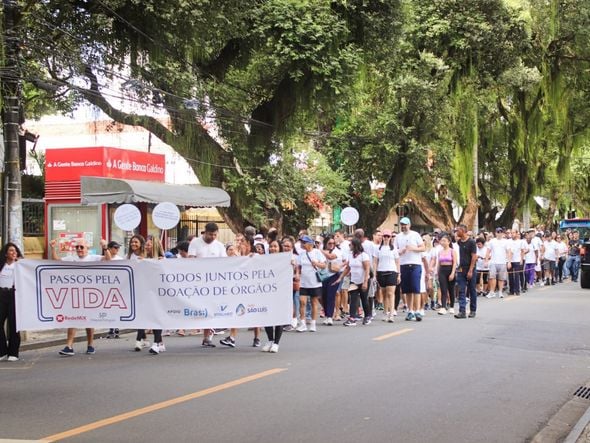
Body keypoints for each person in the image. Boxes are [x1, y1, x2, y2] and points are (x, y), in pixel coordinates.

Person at [50, 237, 110, 356]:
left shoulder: (94, 258)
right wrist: (52, 248)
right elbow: (57, 261)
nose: (79, 249)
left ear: (87, 247)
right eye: (77, 247)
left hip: (89, 294)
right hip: (75, 293)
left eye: (81, 247)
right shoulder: (72, 258)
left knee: (89, 319)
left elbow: (108, 259)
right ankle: (69, 346)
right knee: (72, 318)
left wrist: (105, 247)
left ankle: (90, 345)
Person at [188, 222, 227, 347]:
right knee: (201, 309)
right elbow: (190, 260)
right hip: (198, 283)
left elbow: (225, 263)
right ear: (205, 232)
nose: (213, 237)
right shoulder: (195, 243)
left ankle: (207, 336)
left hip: (214, 283)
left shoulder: (220, 246)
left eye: (215, 235)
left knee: (211, 308)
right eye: (210, 234)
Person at [394, 217, 425, 321]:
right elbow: (394, 251)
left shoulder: (415, 235)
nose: (404, 226)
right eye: (402, 224)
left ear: (409, 225)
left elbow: (423, 247)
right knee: (407, 290)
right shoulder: (398, 237)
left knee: (416, 289)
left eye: (405, 224)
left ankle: (417, 311)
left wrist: (413, 248)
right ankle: (410, 311)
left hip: (415, 264)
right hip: (403, 264)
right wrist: (400, 251)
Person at [336, 238, 371, 326]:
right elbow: (348, 268)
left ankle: (367, 316)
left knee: (364, 299)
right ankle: (352, 318)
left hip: (363, 280)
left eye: (350, 245)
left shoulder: (364, 255)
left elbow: (367, 269)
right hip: (354, 281)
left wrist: (365, 282)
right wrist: (340, 278)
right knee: (353, 299)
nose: (349, 246)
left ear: (355, 245)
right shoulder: (351, 255)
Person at [296, 235, 327, 332]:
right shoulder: (301, 254)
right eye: (301, 242)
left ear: (310, 244)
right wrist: (297, 274)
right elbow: (299, 267)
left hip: (315, 282)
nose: (302, 244)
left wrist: (316, 263)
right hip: (304, 282)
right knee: (302, 302)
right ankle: (302, 323)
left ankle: (313, 323)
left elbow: (324, 265)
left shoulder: (317, 252)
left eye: (304, 242)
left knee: (314, 303)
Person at [261, 239, 286, 353]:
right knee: (267, 317)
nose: (273, 248)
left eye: (275, 246)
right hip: (267, 292)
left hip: (280, 292)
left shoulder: (285, 259)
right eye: (271, 246)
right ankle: (270, 340)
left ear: (279, 248)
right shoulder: (264, 260)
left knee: (278, 317)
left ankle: (276, 343)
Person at [0, 242, 24, 361]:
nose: (14, 253)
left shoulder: (20, 265)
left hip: (14, 295)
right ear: (5, 254)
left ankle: (13, 352)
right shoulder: (2, 265)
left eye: (15, 251)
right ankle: (2, 351)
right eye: (11, 251)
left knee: (14, 324)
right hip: (1, 294)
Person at [373, 229, 400, 322]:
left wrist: (398, 274)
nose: (386, 238)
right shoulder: (378, 249)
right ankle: (385, 312)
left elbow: (397, 261)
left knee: (390, 293)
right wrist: (375, 273)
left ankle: (391, 313)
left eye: (388, 236)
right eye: (385, 236)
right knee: (384, 293)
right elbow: (375, 261)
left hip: (392, 272)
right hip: (381, 271)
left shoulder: (394, 248)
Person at [454, 225, 478, 319]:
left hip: (470, 268)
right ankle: (462, 311)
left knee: (472, 290)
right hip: (461, 268)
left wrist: (471, 270)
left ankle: (472, 310)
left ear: (463, 231)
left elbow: (474, 257)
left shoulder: (471, 242)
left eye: (458, 230)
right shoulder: (459, 242)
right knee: (461, 290)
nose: (456, 232)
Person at [320, 235, 342, 326]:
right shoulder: (320, 250)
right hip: (322, 276)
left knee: (330, 295)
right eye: (329, 243)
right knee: (322, 296)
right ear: (326, 243)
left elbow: (330, 257)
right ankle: (326, 314)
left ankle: (330, 317)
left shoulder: (337, 251)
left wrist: (320, 250)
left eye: (333, 243)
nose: (332, 245)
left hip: (334, 275)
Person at [435, 234, 456, 315]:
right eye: (442, 241)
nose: (442, 242)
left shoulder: (452, 251)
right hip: (442, 271)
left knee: (451, 289)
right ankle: (443, 307)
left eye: (444, 241)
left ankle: (452, 306)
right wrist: (437, 272)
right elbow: (438, 263)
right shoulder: (440, 252)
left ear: (448, 242)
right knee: (443, 289)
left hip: (450, 269)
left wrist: (453, 273)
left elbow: (454, 263)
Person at [486, 228, 509, 298]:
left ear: (502, 233)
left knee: (501, 278)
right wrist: (486, 261)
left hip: (502, 262)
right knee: (492, 277)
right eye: (498, 232)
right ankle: (492, 292)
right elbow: (488, 251)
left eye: (500, 232)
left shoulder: (506, 241)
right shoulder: (492, 241)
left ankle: (500, 292)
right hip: (493, 262)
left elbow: (509, 251)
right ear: (495, 233)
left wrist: (509, 262)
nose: (499, 233)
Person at [106, 241, 123, 339]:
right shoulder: (104, 258)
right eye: (115, 248)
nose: (117, 250)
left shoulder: (120, 259)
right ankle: (111, 328)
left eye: (118, 248)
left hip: (117, 286)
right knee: (109, 308)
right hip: (107, 287)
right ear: (109, 248)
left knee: (116, 308)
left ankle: (116, 327)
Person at [507, 229, 526, 296]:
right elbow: (508, 251)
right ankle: (511, 290)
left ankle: (517, 290)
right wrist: (509, 261)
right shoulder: (508, 241)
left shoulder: (520, 242)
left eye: (513, 233)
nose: (512, 234)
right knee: (510, 276)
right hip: (510, 261)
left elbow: (522, 251)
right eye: (511, 233)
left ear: (517, 233)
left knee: (517, 276)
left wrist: (521, 260)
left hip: (517, 260)